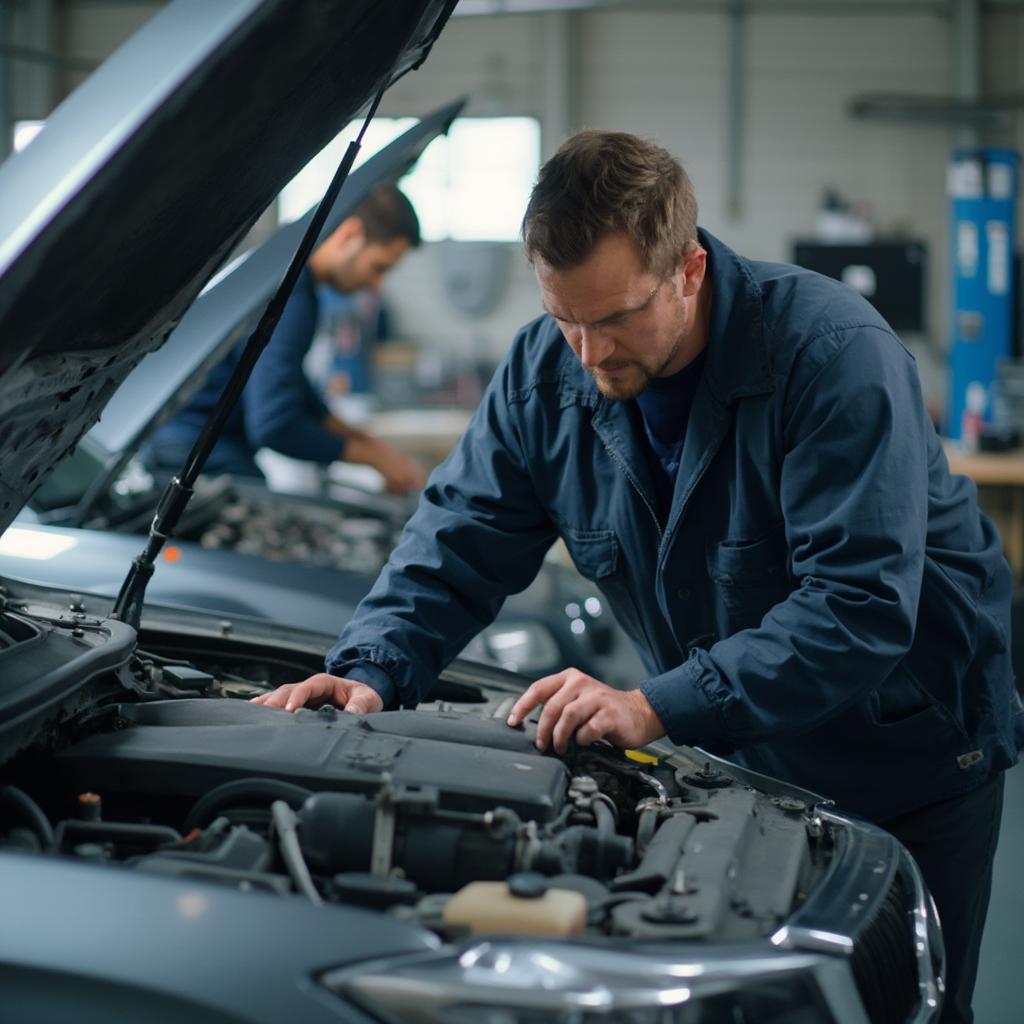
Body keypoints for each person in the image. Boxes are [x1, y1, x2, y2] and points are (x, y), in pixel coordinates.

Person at [253, 131, 1022, 1022]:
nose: (588, 353)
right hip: (743, 750)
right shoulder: (547, 374)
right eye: (564, 318)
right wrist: (368, 668)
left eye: (614, 318)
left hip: (905, 749)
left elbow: (856, 607)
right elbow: (459, 536)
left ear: (689, 269)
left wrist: (653, 706)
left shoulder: (830, 357)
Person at [146, 183, 426, 493]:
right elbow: (275, 423)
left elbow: (294, 388)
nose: (376, 284)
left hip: (176, 444)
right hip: (190, 455)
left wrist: (367, 443)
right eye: (378, 267)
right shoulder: (293, 298)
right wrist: (372, 459)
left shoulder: (286, 276)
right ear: (349, 234)